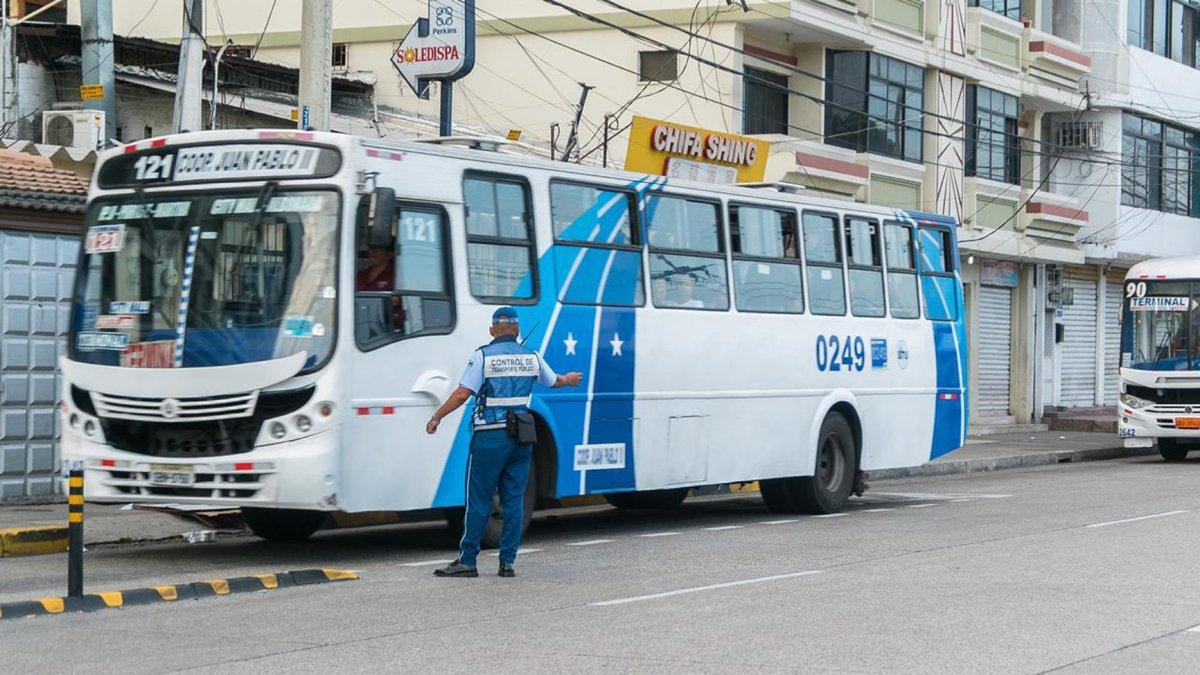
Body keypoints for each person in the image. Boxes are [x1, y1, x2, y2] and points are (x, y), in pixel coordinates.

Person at [425, 307, 582, 578]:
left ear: (492, 330)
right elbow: (554, 380)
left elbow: (463, 394)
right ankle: (507, 562)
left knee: (479, 500)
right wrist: (568, 380)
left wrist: (437, 416)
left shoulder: (483, 356)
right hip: (520, 439)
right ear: (517, 331)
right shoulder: (531, 357)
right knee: (513, 500)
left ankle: (468, 560)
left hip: (489, 437)